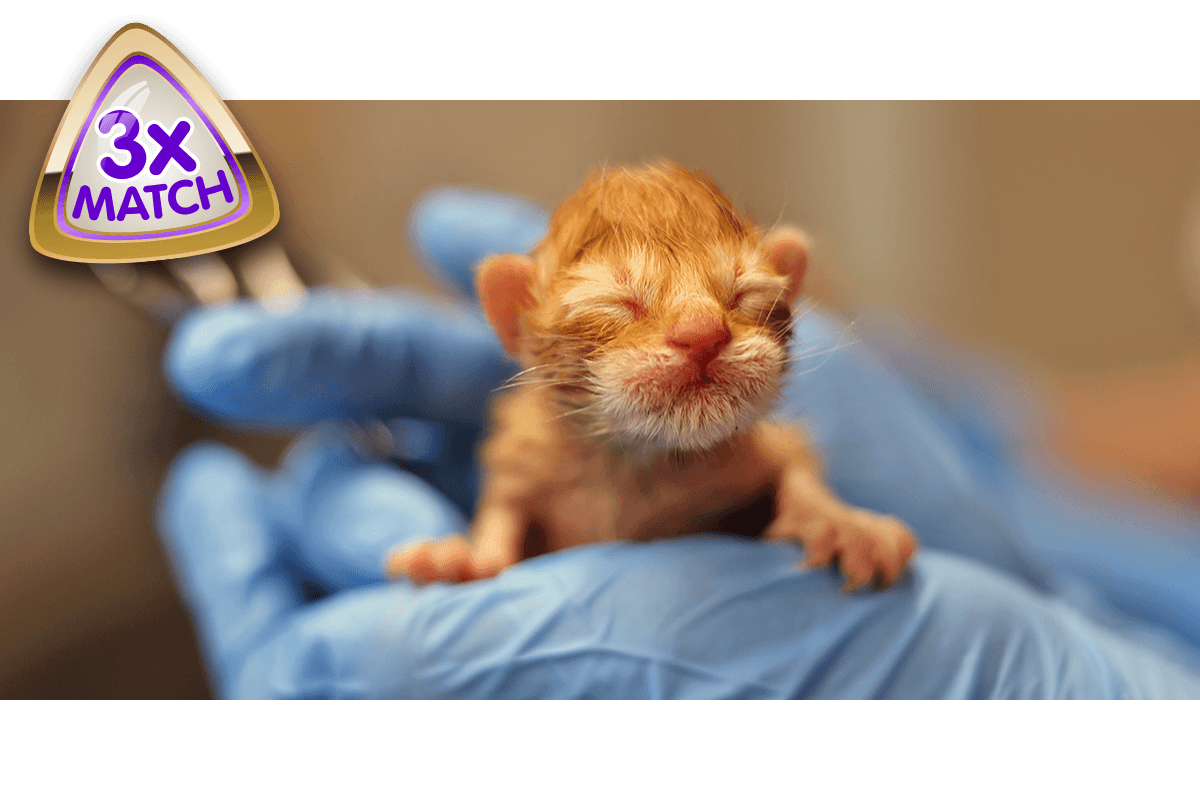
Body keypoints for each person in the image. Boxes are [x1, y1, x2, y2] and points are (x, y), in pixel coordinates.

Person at [156, 188, 1200, 698]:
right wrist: (990, 429)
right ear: (516, 316)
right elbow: (511, 492)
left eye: (750, 303)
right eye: (622, 305)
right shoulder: (528, 431)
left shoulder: (759, 445)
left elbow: (782, 463)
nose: (705, 332)